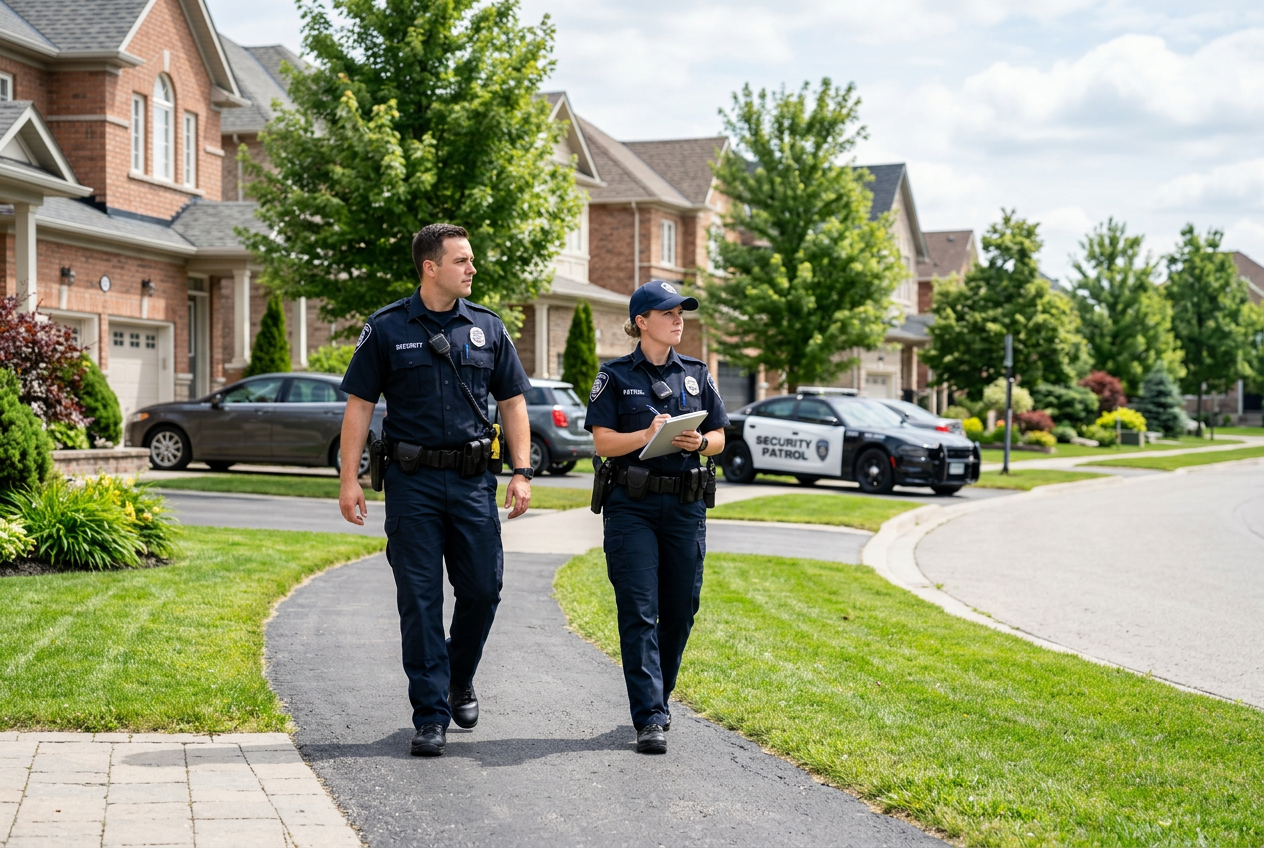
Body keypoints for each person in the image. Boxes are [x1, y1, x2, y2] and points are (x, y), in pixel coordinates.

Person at [338, 223, 536, 757]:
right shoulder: (385, 328)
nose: (472, 269)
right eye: (462, 261)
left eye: (471, 261)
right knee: (420, 601)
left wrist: (521, 471)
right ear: (431, 267)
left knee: (482, 590)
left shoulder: (488, 329)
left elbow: (513, 403)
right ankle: (430, 716)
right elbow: (359, 406)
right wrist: (348, 479)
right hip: (412, 484)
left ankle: (458, 676)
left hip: (474, 483)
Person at [584, 280, 729, 754]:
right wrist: (646, 435)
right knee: (640, 610)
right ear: (642, 321)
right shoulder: (616, 376)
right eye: (668, 313)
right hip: (633, 508)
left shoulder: (697, 373)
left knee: (682, 610)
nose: (678, 319)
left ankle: (657, 699)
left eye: (681, 312)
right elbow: (603, 441)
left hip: (686, 506)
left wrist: (699, 443)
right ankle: (649, 717)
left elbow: (721, 437)